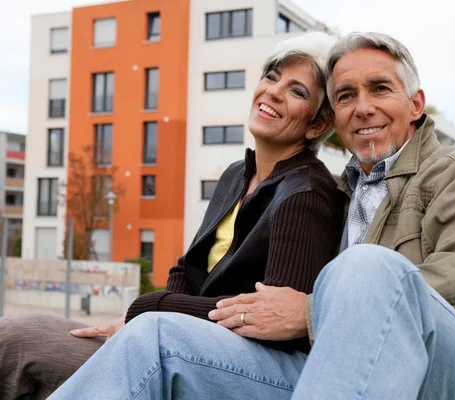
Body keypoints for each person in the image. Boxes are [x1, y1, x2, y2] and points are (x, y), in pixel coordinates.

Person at [49, 32, 455, 400]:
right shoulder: (339, 194)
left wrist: (310, 312)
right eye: (346, 95)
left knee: (367, 267)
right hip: (334, 372)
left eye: (380, 89)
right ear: (334, 120)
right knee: (152, 337)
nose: (363, 107)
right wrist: (152, 311)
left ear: (415, 104)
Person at [0, 31, 345, 400]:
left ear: (317, 124)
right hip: (178, 339)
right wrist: (143, 321)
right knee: (19, 338)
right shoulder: (235, 175)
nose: (273, 92)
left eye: (297, 91)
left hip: (240, 364)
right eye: (272, 76)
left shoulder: (305, 194)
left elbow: (270, 322)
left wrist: (149, 310)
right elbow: (187, 270)